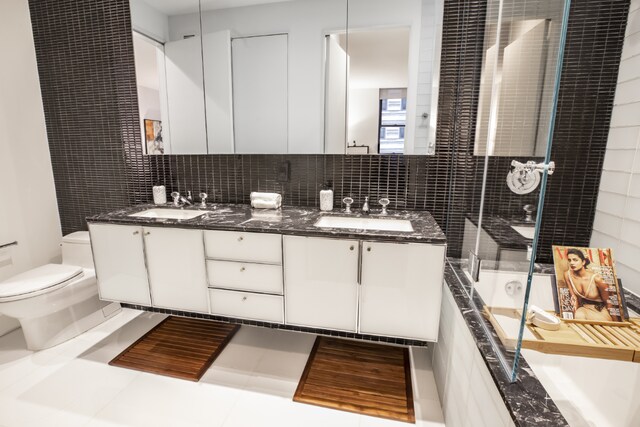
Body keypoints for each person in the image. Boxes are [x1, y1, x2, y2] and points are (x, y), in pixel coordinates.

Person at [563, 248, 612, 321]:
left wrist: (617, 323)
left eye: (575, 260)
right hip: (583, 309)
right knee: (579, 316)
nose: (571, 263)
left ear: (583, 262)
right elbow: (574, 298)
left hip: (599, 311)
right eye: (569, 260)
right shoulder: (567, 275)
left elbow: (609, 303)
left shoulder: (597, 279)